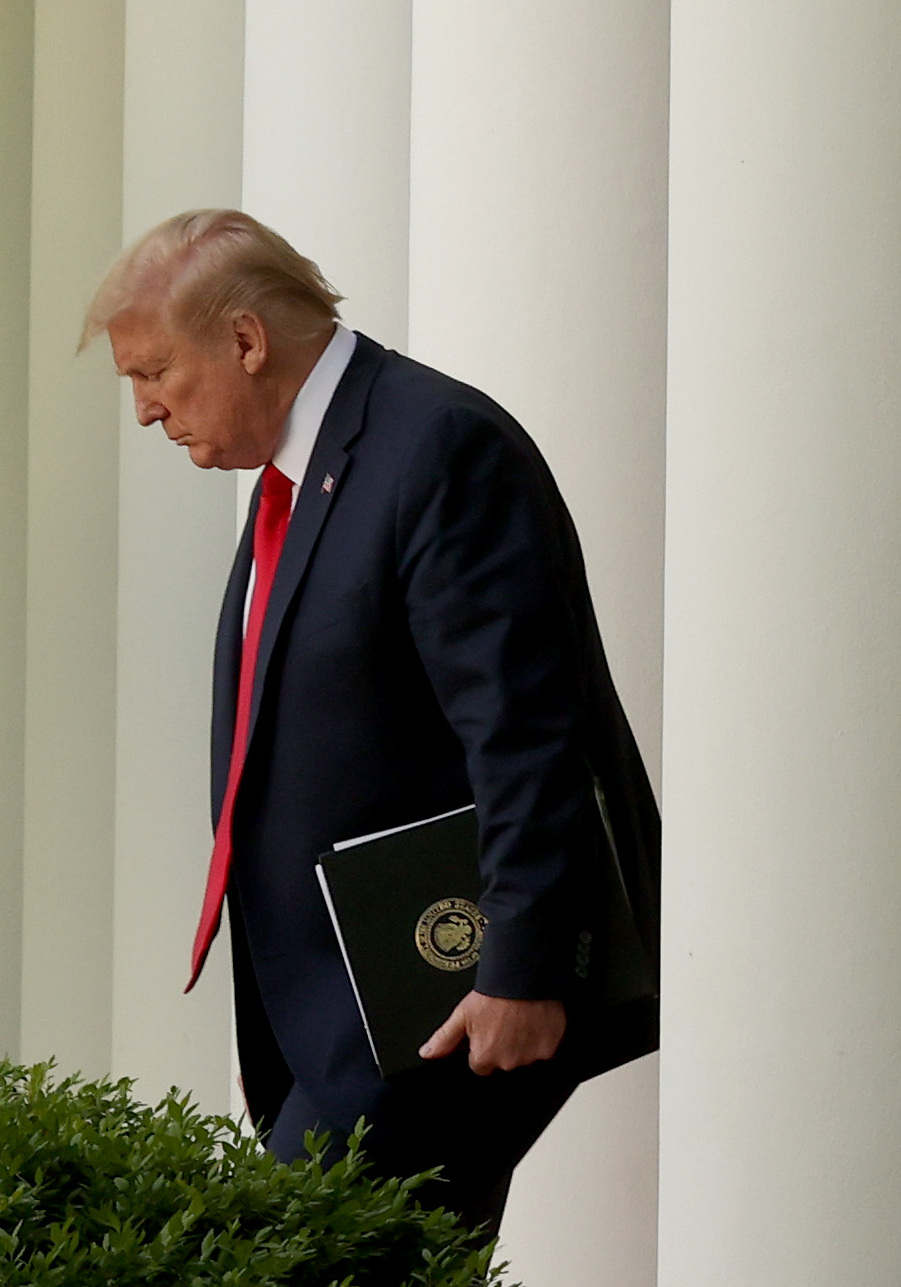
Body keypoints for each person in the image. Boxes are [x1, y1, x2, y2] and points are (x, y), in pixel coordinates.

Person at [85, 207, 658, 1234]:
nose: (144, 410)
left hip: (444, 1007)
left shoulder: (435, 447)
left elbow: (526, 730)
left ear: (246, 341)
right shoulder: (314, 478)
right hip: (358, 1016)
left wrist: (521, 969)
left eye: (153, 373)